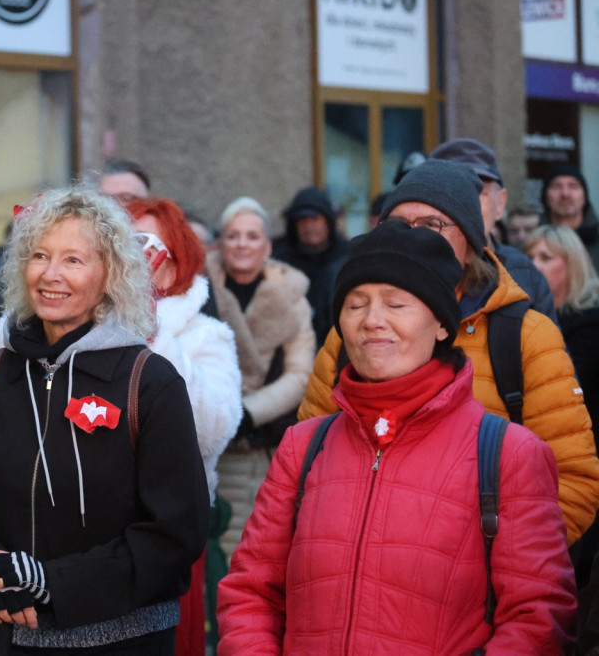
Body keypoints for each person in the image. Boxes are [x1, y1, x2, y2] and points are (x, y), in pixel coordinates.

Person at [217, 222, 577, 654]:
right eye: (355, 304)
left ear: (442, 325)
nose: (372, 321)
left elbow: (538, 617)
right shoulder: (303, 446)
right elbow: (251, 593)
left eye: (396, 304)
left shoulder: (508, 454)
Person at [0, 187, 208, 654]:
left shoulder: (149, 382)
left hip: (126, 641)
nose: (51, 275)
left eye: (74, 260)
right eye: (39, 255)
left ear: (110, 273)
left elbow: (174, 534)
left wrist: (48, 583)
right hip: (13, 637)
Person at [298, 159, 599, 544]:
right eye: (398, 225)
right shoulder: (353, 332)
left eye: (432, 225)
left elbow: (572, 481)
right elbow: (306, 465)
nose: (412, 237)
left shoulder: (526, 336)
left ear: (471, 243)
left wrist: (486, 567)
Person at [125, 197, 242, 656]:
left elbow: (212, 428)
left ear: (175, 267)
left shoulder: (204, 336)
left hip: (164, 543)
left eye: (145, 246)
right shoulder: (74, 325)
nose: (130, 259)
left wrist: (150, 328)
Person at [207, 197, 316, 560]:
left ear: (267, 246)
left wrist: (248, 412)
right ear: (220, 242)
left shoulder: (292, 296)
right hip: (209, 441)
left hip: (261, 439)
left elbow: (301, 373)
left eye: (252, 236)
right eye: (233, 235)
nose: (242, 244)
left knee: (255, 549)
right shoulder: (200, 290)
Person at [524, 225, 599, 586]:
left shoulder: (591, 328)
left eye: (546, 258)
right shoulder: (522, 326)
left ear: (573, 266)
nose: (534, 266)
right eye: (529, 258)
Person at [429, 137, 557, 323]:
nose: (466, 201)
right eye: (453, 189)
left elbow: (552, 349)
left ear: (500, 204)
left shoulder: (525, 273)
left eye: (479, 190)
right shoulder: (410, 267)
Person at [271, 186, 349, 344]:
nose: (309, 226)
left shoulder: (347, 256)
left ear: (328, 221)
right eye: (303, 220)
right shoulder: (278, 258)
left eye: (314, 219)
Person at [540, 163, 599, 270]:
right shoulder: (530, 245)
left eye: (573, 186)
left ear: (584, 196)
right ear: (545, 196)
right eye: (557, 187)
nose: (565, 194)